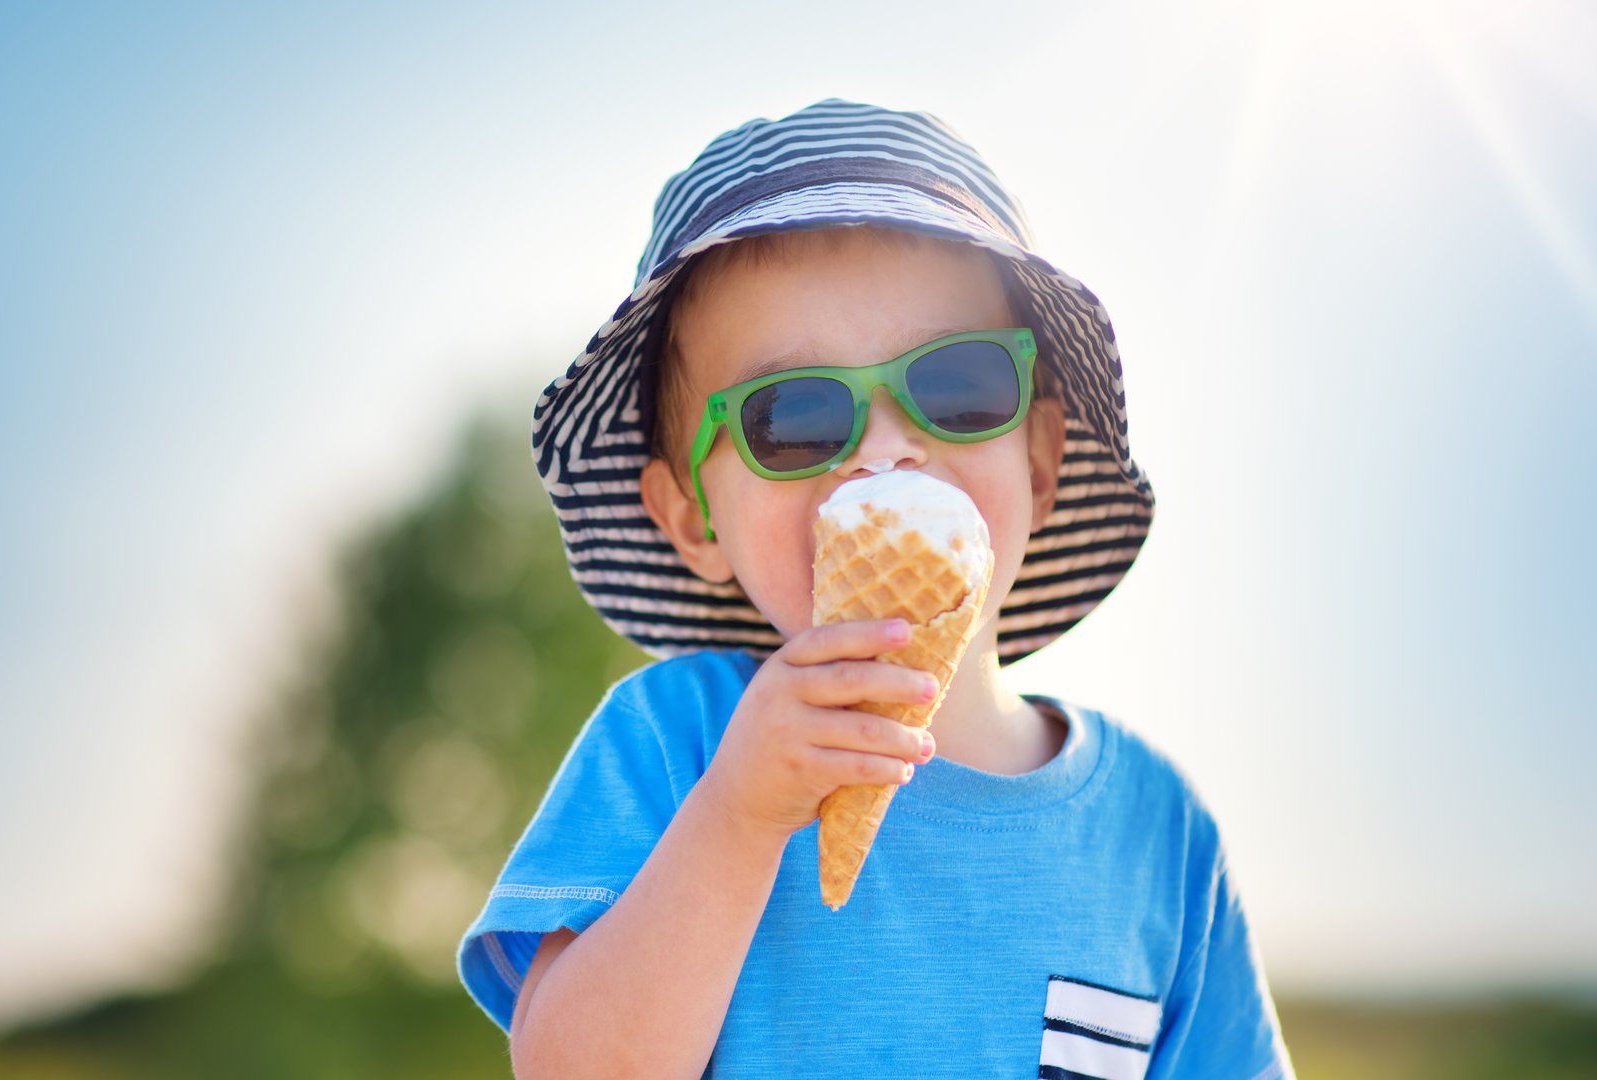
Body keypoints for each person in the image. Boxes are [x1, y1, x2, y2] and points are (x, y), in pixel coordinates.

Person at [455, 98, 1294, 1079]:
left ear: (1040, 458)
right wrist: (738, 817)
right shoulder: (673, 744)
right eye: (797, 417)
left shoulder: (1156, 830)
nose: (890, 449)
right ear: (693, 518)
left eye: (958, 387)